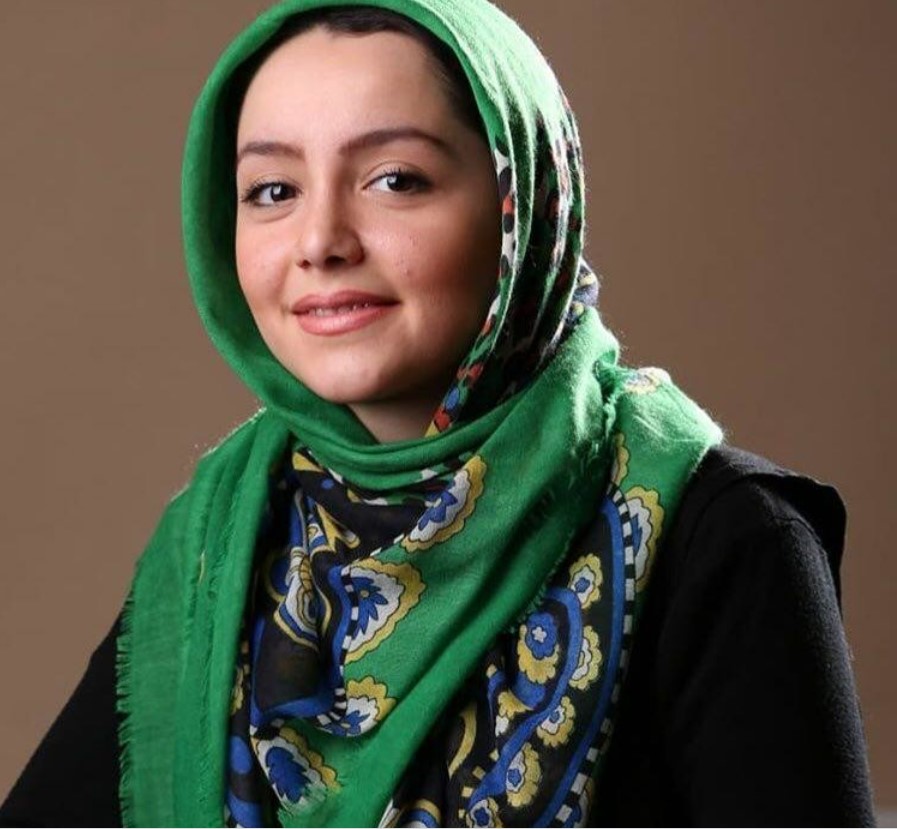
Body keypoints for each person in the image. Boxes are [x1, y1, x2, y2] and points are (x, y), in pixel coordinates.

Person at [0, 0, 874, 826]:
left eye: (395, 179)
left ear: (522, 207)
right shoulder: (220, 540)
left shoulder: (724, 539)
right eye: (271, 190)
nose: (320, 242)